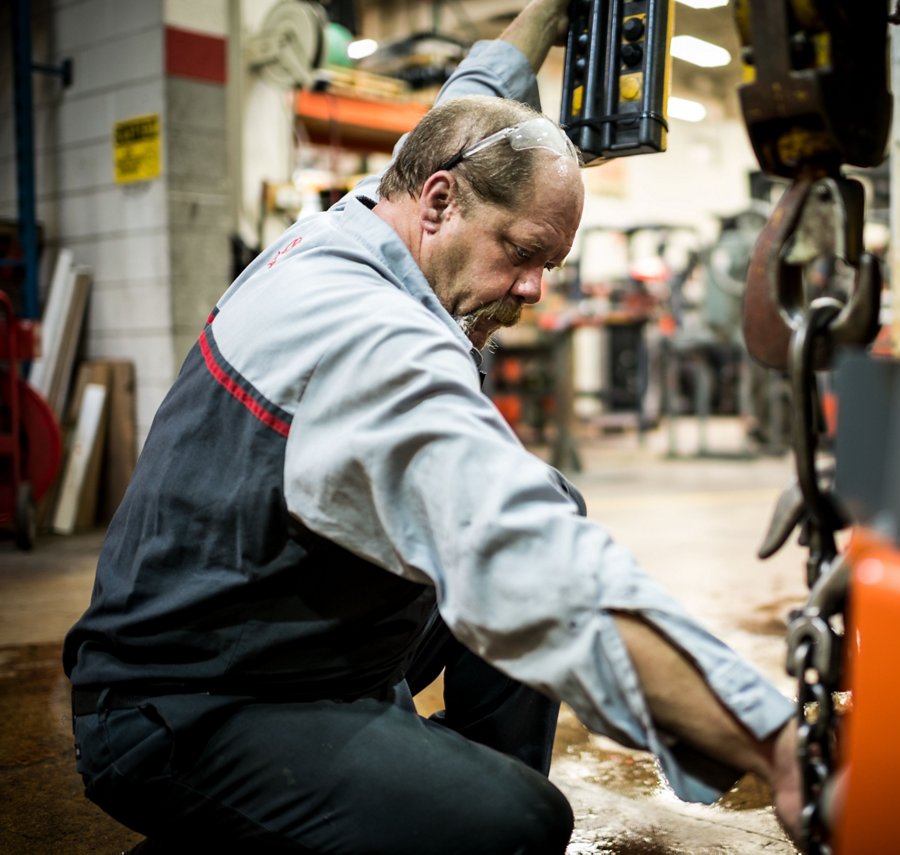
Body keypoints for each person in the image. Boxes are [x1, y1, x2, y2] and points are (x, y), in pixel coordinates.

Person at [63, 1, 802, 851]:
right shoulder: (369, 332)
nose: (534, 290)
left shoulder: (381, 212)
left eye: (550, 267)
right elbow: (526, 562)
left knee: (550, 493)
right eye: (523, 252)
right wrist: (776, 744)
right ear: (442, 201)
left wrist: (546, 16)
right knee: (520, 823)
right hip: (184, 701)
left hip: (280, 636)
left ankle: (434, 789)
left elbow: (476, 91)